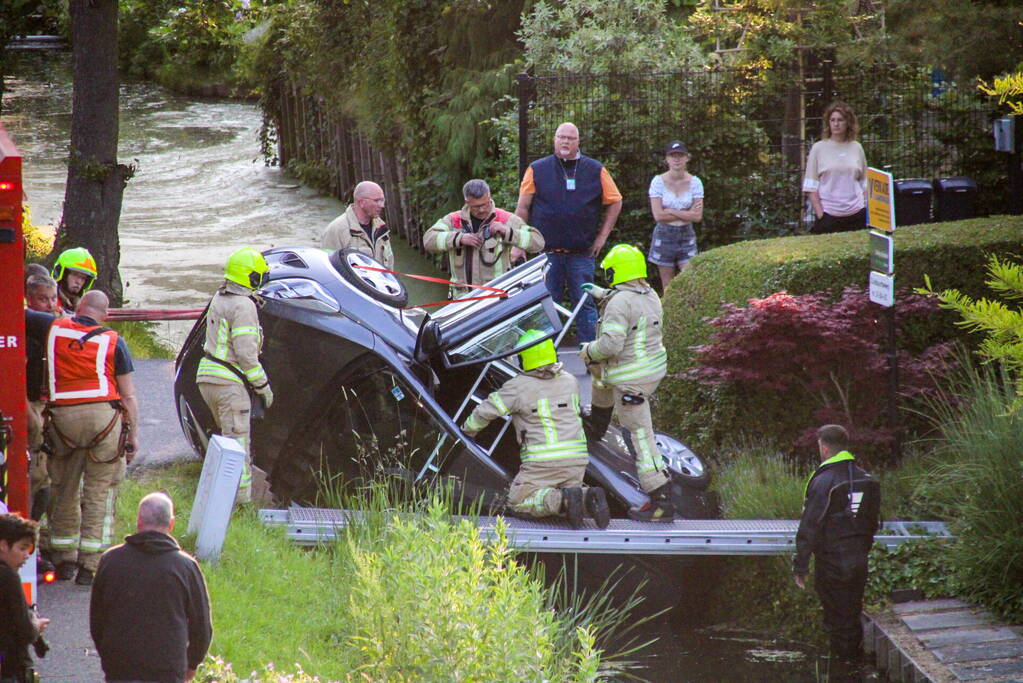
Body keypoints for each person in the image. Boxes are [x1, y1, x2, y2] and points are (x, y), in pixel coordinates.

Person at [461, 330, 610, 530]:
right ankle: (585, 497)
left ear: (525, 359)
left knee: (518, 501)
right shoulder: (570, 381)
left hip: (542, 462)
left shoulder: (517, 387)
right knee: (568, 501)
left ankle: (563, 500)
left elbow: (485, 411)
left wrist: (467, 432)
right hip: (577, 459)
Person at [44, 290, 140, 586]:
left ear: (78, 307)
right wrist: (132, 436)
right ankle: (90, 565)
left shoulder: (54, 329)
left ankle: (63, 559)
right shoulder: (114, 341)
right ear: (105, 314)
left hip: (63, 421)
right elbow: (128, 396)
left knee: (64, 487)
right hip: (104, 422)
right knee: (100, 491)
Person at [580, 244, 673, 522]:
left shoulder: (620, 303)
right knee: (600, 378)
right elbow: (628, 305)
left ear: (617, 272)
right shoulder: (650, 294)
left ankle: (661, 500)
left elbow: (610, 346)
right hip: (650, 370)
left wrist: (588, 351)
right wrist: (601, 294)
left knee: (640, 436)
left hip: (631, 381)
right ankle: (597, 424)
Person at [515, 122, 623, 343]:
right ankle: (545, 358)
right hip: (547, 253)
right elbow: (523, 208)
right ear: (554, 140)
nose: (565, 141)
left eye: (570, 138)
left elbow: (616, 201)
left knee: (585, 305)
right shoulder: (537, 169)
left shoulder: (596, 170)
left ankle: (591, 355)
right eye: (561, 137)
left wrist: (602, 237)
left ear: (578, 141)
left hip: (582, 254)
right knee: (546, 306)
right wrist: (519, 243)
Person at [91, 492, 212, 683]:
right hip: (167, 669)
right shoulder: (186, 567)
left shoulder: (110, 560)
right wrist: (191, 665)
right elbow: (202, 627)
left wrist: (108, 656)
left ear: (139, 521)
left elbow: (97, 619)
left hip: (119, 666)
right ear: (171, 524)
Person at [793, 424, 881, 666]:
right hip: (858, 559)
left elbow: (810, 526)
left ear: (824, 447)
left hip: (832, 561)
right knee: (851, 613)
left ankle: (843, 667)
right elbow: (872, 522)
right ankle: (854, 666)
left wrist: (800, 566)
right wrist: (862, 549)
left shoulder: (824, 480)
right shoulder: (866, 478)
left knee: (836, 620)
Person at [195, 248, 273, 504]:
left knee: (226, 441)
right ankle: (239, 504)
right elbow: (246, 354)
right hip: (229, 384)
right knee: (238, 448)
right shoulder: (244, 305)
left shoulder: (219, 297)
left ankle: (218, 496)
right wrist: (263, 386)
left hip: (208, 377)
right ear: (251, 277)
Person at [423, 179, 545, 298]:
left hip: (495, 299)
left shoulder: (505, 219)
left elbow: (538, 242)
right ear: (467, 201)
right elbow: (428, 240)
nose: (481, 210)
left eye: (484, 204)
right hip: (462, 300)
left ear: (489, 196)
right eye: (476, 206)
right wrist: (459, 238)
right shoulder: (454, 220)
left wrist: (506, 231)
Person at [803, 102, 868, 234]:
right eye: (832, 120)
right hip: (829, 215)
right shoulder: (818, 148)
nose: (836, 124)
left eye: (840, 120)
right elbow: (810, 186)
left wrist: (865, 206)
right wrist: (821, 214)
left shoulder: (857, 147)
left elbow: (865, 183)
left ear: (848, 122)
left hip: (857, 213)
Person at [24, 275, 58, 524]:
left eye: (53, 298)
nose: (50, 304)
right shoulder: (24, 330)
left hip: (47, 405)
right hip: (30, 405)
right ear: (28, 298)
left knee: (49, 477)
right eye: (43, 299)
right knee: (37, 478)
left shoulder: (51, 327)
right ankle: (29, 530)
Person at [0, 513, 50, 683]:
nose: (26, 556)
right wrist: (36, 624)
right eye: (22, 548)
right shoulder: (7, 577)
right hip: (9, 665)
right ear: (3, 545)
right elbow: (24, 629)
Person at [648, 141, 704, 289]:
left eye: (680, 155)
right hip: (664, 235)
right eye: (673, 155)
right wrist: (687, 213)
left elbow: (697, 216)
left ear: (687, 158)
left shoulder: (695, 182)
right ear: (666, 159)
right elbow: (658, 215)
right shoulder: (658, 181)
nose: (676, 159)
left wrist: (671, 211)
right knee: (668, 286)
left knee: (689, 282)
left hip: (687, 235)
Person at [321, 180, 394, 268]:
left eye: (382, 200)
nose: (382, 205)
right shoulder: (336, 230)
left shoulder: (381, 228)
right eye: (377, 201)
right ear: (361, 203)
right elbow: (328, 268)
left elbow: (389, 265)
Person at [50, 247, 98, 314]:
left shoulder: (85, 308)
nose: (78, 282)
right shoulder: (47, 300)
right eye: (75, 275)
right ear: (62, 274)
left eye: (83, 278)